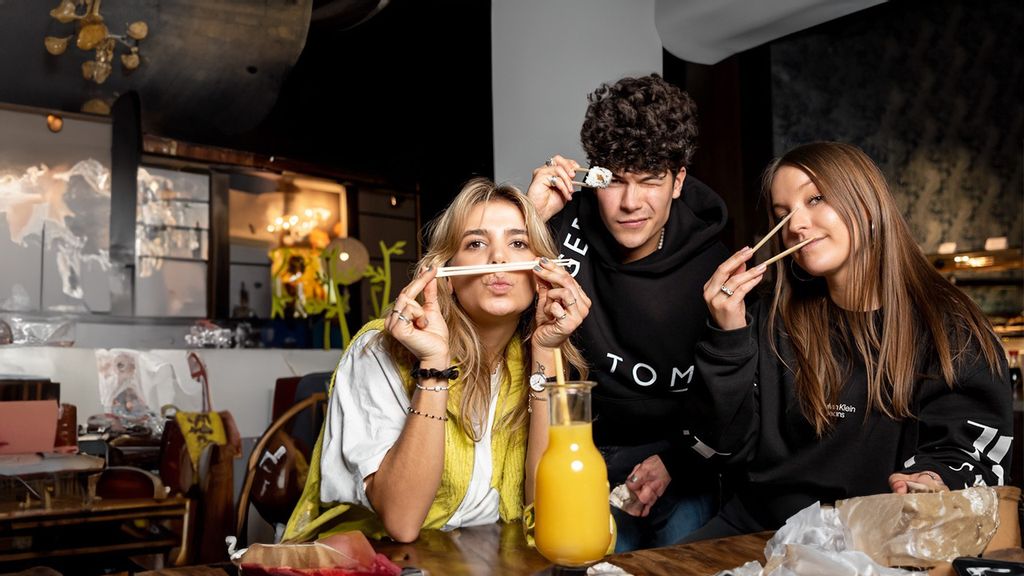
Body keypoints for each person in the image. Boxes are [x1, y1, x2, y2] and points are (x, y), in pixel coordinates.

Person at [685, 141, 1013, 540]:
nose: (795, 225)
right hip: (758, 529)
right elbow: (720, 446)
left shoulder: (949, 328)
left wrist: (934, 479)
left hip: (878, 538)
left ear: (869, 207)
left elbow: (969, 451)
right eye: (781, 213)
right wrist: (727, 336)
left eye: (816, 199)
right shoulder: (764, 316)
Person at [284, 178, 591, 543]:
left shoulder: (536, 355)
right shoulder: (377, 349)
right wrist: (433, 367)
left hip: (486, 560)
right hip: (373, 558)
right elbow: (401, 521)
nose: (498, 258)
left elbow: (547, 511)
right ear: (445, 276)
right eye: (476, 243)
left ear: (542, 273)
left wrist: (545, 353)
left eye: (518, 243)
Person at [526, 74, 730, 550]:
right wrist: (529, 215)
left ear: (678, 181)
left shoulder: (715, 267)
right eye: (615, 180)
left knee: (686, 555)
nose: (630, 202)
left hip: (676, 458)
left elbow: (732, 401)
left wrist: (678, 462)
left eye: (650, 180)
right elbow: (474, 298)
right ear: (593, 176)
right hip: (570, 444)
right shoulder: (558, 225)